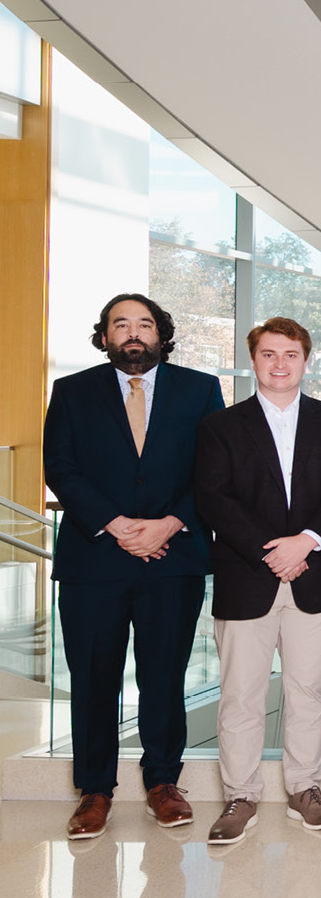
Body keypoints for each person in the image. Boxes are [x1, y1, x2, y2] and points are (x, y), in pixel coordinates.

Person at [46, 293, 224, 840]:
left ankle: (163, 783)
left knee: (164, 675)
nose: (132, 333)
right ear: (103, 336)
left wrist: (169, 524)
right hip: (93, 558)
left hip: (174, 559)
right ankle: (94, 790)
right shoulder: (72, 391)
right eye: (120, 324)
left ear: (161, 335)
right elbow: (61, 467)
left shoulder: (200, 389)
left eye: (144, 324)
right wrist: (118, 526)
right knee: (94, 678)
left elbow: (217, 471)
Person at [193, 317, 321, 843]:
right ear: (254, 359)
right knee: (241, 696)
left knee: (308, 692)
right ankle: (241, 795)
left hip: (313, 577)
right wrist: (274, 552)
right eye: (269, 354)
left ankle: (304, 789)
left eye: (291, 354)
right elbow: (213, 498)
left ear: (306, 361)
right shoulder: (221, 425)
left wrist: (305, 542)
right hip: (246, 578)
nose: (280, 363)